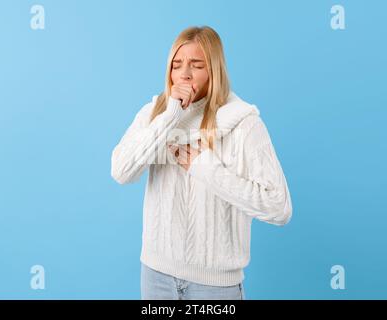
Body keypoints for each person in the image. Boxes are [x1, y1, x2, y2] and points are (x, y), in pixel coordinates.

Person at [111, 26, 293, 300]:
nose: (183, 74)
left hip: (214, 287)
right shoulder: (155, 114)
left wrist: (205, 169)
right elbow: (121, 171)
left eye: (196, 65)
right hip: (156, 276)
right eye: (176, 65)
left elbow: (279, 207)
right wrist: (170, 116)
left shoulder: (244, 123)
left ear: (214, 70)